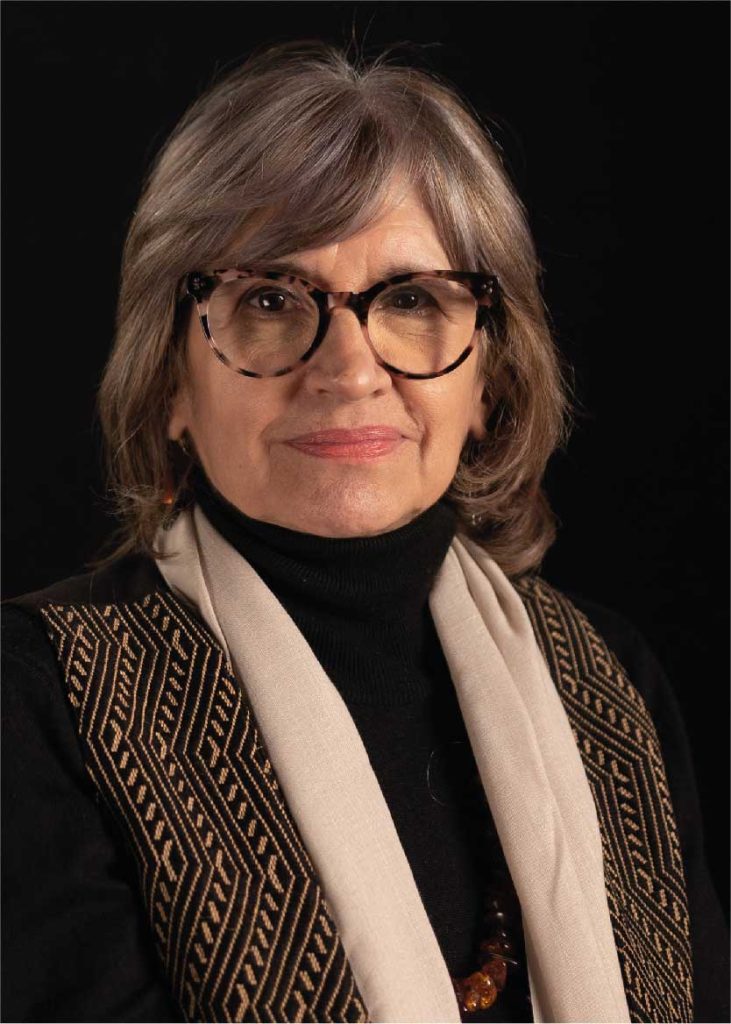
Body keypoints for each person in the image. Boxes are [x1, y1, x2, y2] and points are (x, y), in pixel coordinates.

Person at [2, 39, 727, 1024]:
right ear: (168, 378)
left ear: (488, 379)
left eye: (412, 300)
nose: (348, 370)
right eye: (268, 300)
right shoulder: (36, 700)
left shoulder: (607, 684)